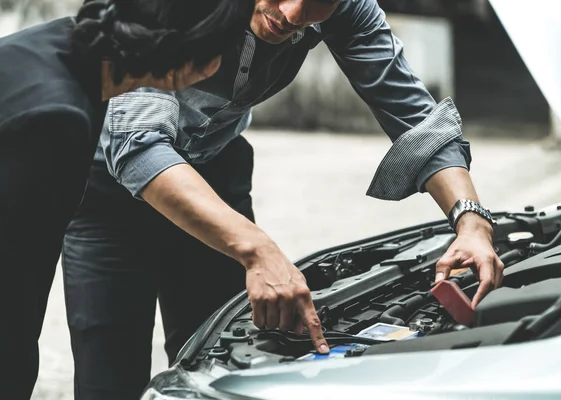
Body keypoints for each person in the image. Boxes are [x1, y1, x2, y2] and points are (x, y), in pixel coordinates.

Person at [62, 0, 505, 397]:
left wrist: (471, 221)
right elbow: (137, 144)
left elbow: (418, 119)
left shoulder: (345, 6)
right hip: (107, 196)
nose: (292, 15)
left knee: (226, 370)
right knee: (109, 378)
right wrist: (259, 249)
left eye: (316, 3)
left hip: (216, 173)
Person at [0, 0, 252, 397]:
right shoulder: (57, 117)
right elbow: (13, 287)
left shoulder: (65, 46)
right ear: (194, 63)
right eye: (223, 52)